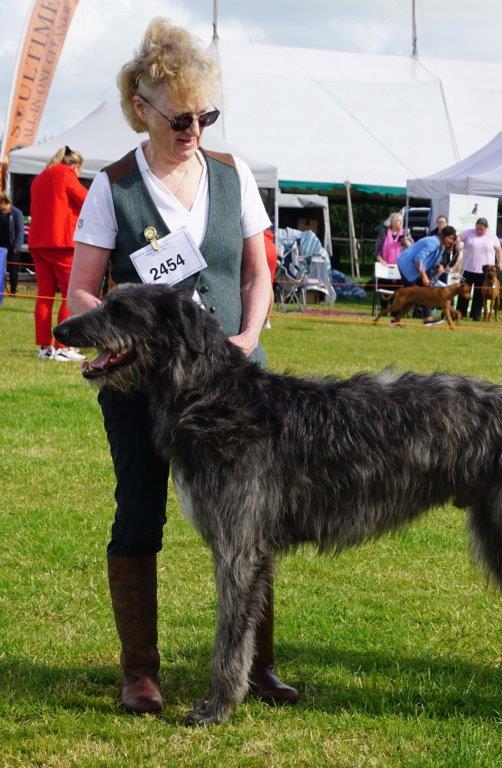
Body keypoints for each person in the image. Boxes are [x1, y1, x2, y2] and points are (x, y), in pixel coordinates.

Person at [67, 18, 298, 715]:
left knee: (250, 525)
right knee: (139, 515)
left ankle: (257, 666)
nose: (193, 127)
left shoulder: (232, 178)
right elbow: (84, 285)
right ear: (142, 109)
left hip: (234, 386)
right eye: (179, 117)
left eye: (204, 115)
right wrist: (119, 327)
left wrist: (248, 332)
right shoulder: (114, 186)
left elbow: (259, 271)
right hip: (143, 388)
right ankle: (140, 671)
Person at [28, 146, 88, 360]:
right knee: (69, 295)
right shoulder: (65, 173)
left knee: (44, 295)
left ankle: (44, 347)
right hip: (61, 243)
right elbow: (86, 199)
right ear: (75, 165)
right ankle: (63, 346)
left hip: (38, 242)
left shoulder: (39, 177)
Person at [395, 225, 456, 323]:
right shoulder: (433, 242)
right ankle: (396, 316)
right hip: (407, 266)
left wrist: (439, 265)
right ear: (444, 236)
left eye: (453, 239)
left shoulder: (441, 246)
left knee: (424, 291)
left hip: (415, 268)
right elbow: (418, 260)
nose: (451, 241)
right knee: (413, 294)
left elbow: (433, 261)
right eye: (450, 238)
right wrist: (423, 276)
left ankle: (425, 318)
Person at [455, 218, 502, 321]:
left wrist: (500, 263)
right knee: (463, 292)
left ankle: (475, 315)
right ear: (475, 226)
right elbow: (457, 237)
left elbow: (499, 250)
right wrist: (458, 242)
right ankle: (460, 314)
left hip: (484, 272)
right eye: (477, 228)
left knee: (479, 295)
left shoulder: (492, 236)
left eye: (481, 229)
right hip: (467, 268)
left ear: (486, 228)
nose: (479, 231)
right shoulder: (468, 233)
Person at [0, 192, 24, 297]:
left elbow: (20, 231)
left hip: (13, 247)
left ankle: (13, 291)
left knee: (13, 270)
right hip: (1, 246)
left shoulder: (16, 213)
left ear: (5, 202)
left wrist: (16, 247)